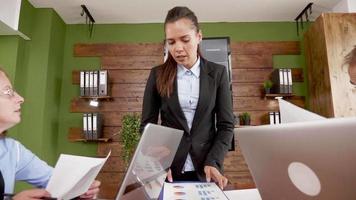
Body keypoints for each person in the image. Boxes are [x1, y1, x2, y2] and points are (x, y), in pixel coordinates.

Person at [140, 6, 234, 189]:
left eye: (185, 40)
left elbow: (226, 125)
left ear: (199, 36)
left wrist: (214, 161)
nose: (178, 49)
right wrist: (156, 162)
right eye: (171, 42)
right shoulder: (157, 75)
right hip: (168, 170)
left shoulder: (218, 73)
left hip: (207, 169)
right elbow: (146, 126)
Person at [0, 67, 100, 199]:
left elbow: (54, 181)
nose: (21, 98)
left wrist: (81, 187)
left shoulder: (13, 150)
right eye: (8, 92)